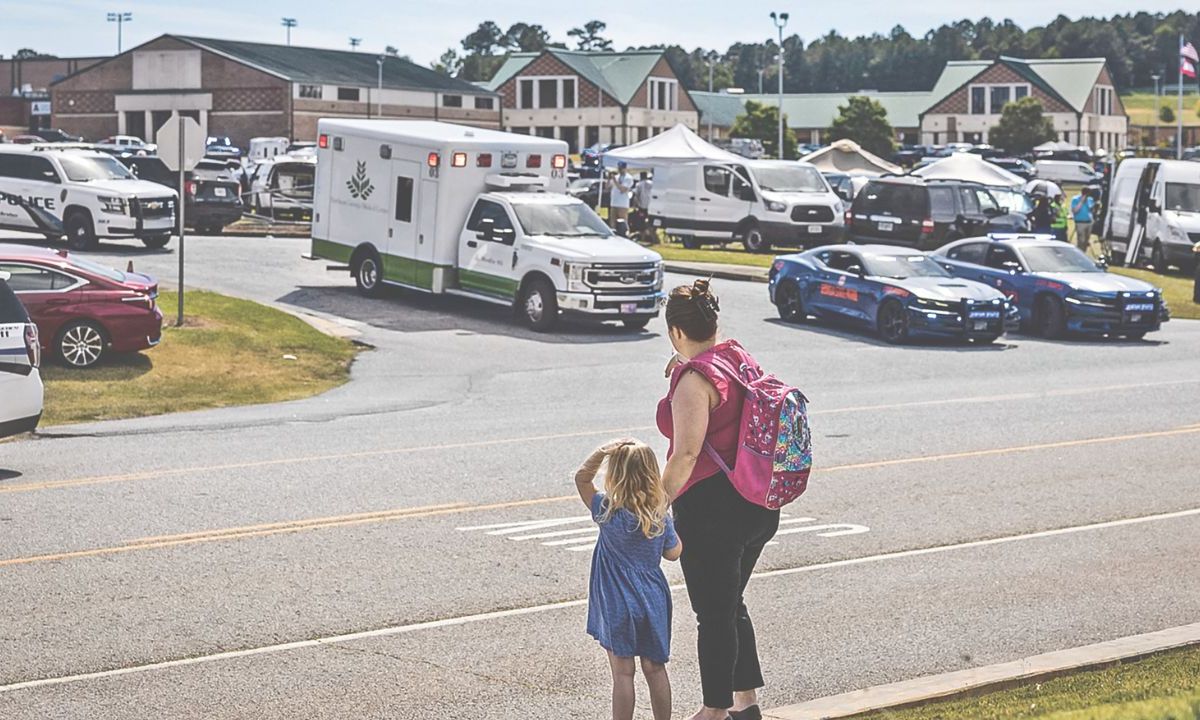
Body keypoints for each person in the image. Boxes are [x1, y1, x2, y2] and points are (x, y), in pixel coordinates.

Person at [657, 279, 779, 720]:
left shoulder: (694, 380)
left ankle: (713, 710)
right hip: (758, 503)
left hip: (713, 513)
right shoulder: (736, 356)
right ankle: (746, 704)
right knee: (730, 603)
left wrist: (655, 507)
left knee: (713, 613)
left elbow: (687, 453)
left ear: (675, 331)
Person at [575, 439, 683, 720]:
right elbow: (673, 553)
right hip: (652, 600)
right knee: (655, 669)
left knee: (623, 673)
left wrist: (601, 451)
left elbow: (582, 478)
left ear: (615, 474)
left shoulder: (606, 510)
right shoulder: (658, 515)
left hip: (616, 602)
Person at [610, 161, 635, 236]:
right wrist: (609, 179)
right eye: (619, 168)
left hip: (623, 203)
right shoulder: (616, 177)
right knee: (612, 221)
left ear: (625, 168)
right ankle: (613, 234)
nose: (620, 170)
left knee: (623, 221)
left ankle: (626, 234)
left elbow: (623, 189)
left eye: (622, 169)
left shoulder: (628, 178)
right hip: (614, 202)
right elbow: (607, 187)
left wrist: (615, 181)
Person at [1070, 187, 1096, 255]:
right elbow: (1075, 211)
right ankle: (1079, 253)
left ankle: (1083, 253)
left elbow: (1091, 211)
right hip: (1080, 222)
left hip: (1089, 222)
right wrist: (1081, 202)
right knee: (1081, 240)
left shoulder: (1090, 200)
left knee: (1086, 241)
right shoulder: (1075, 199)